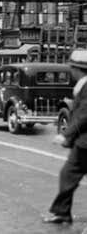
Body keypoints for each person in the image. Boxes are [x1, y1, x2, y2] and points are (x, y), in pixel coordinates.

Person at [43, 49, 87, 224]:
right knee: (68, 175)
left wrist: (66, 134)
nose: (71, 71)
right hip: (82, 143)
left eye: (73, 68)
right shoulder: (83, 85)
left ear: (79, 69)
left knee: (68, 174)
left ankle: (62, 212)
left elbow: (85, 115)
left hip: (85, 143)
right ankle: (62, 212)